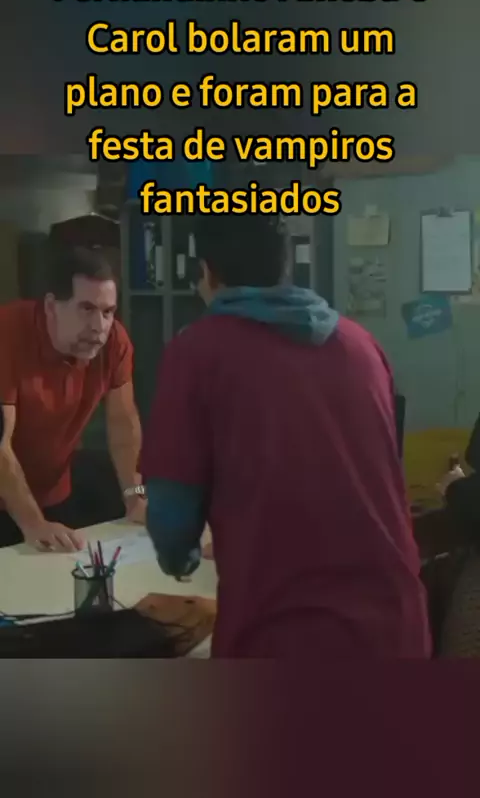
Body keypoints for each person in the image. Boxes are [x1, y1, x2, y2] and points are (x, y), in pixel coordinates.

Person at [142, 214, 430, 659]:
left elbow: (172, 503)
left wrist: (181, 559)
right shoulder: (362, 344)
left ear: (207, 272)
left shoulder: (199, 350)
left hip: (286, 628)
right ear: (286, 267)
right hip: (396, 623)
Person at [0, 245, 145, 552]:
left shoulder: (113, 341)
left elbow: (123, 424)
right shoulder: (7, 334)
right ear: (51, 306)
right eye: (86, 309)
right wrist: (33, 523)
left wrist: (135, 496)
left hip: (53, 492)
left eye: (107, 312)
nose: (99, 327)